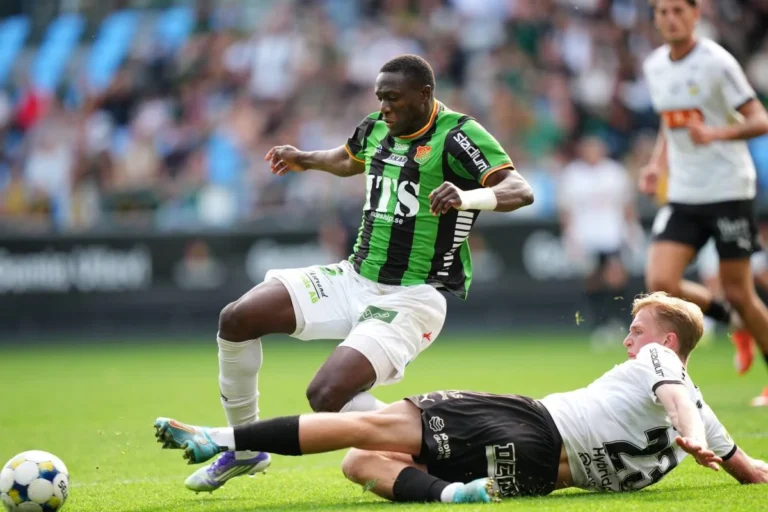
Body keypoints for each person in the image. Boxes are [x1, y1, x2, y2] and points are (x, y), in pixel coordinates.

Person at [183, 54, 535, 492]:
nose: (384, 107)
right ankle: (245, 450)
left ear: (425, 94)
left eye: (393, 98)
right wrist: (305, 158)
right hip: (353, 277)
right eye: (380, 97)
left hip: (412, 297)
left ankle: (443, 453)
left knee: (326, 395)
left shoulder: (458, 134)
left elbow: (519, 189)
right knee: (238, 317)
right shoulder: (376, 127)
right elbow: (349, 159)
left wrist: (467, 197)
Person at [155, 292, 768, 504]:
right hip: (536, 476)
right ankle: (452, 495)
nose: (629, 340)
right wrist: (701, 442)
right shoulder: (704, 412)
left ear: (667, 341)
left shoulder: (663, 364)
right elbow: (746, 468)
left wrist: (689, 430)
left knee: (366, 428)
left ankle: (223, 438)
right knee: (359, 463)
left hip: (532, 422)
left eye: (638, 329)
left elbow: (674, 394)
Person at [638, 0, 768, 405]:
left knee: (740, 291)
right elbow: (670, 122)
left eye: (679, 10)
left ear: (696, 15)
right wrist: (656, 165)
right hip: (684, 192)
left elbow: (760, 119)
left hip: (728, 189)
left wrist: (714, 134)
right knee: (661, 281)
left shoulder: (717, 62)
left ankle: (745, 324)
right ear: (655, 18)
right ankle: (732, 321)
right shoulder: (655, 65)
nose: (671, 19)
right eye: (663, 12)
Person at [558, 136, 639, 338]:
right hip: (585, 235)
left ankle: (616, 320)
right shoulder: (573, 174)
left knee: (615, 276)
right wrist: (569, 236)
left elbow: (627, 205)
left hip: (612, 233)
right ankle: (598, 323)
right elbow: (566, 210)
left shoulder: (614, 172)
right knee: (592, 278)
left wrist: (632, 230)